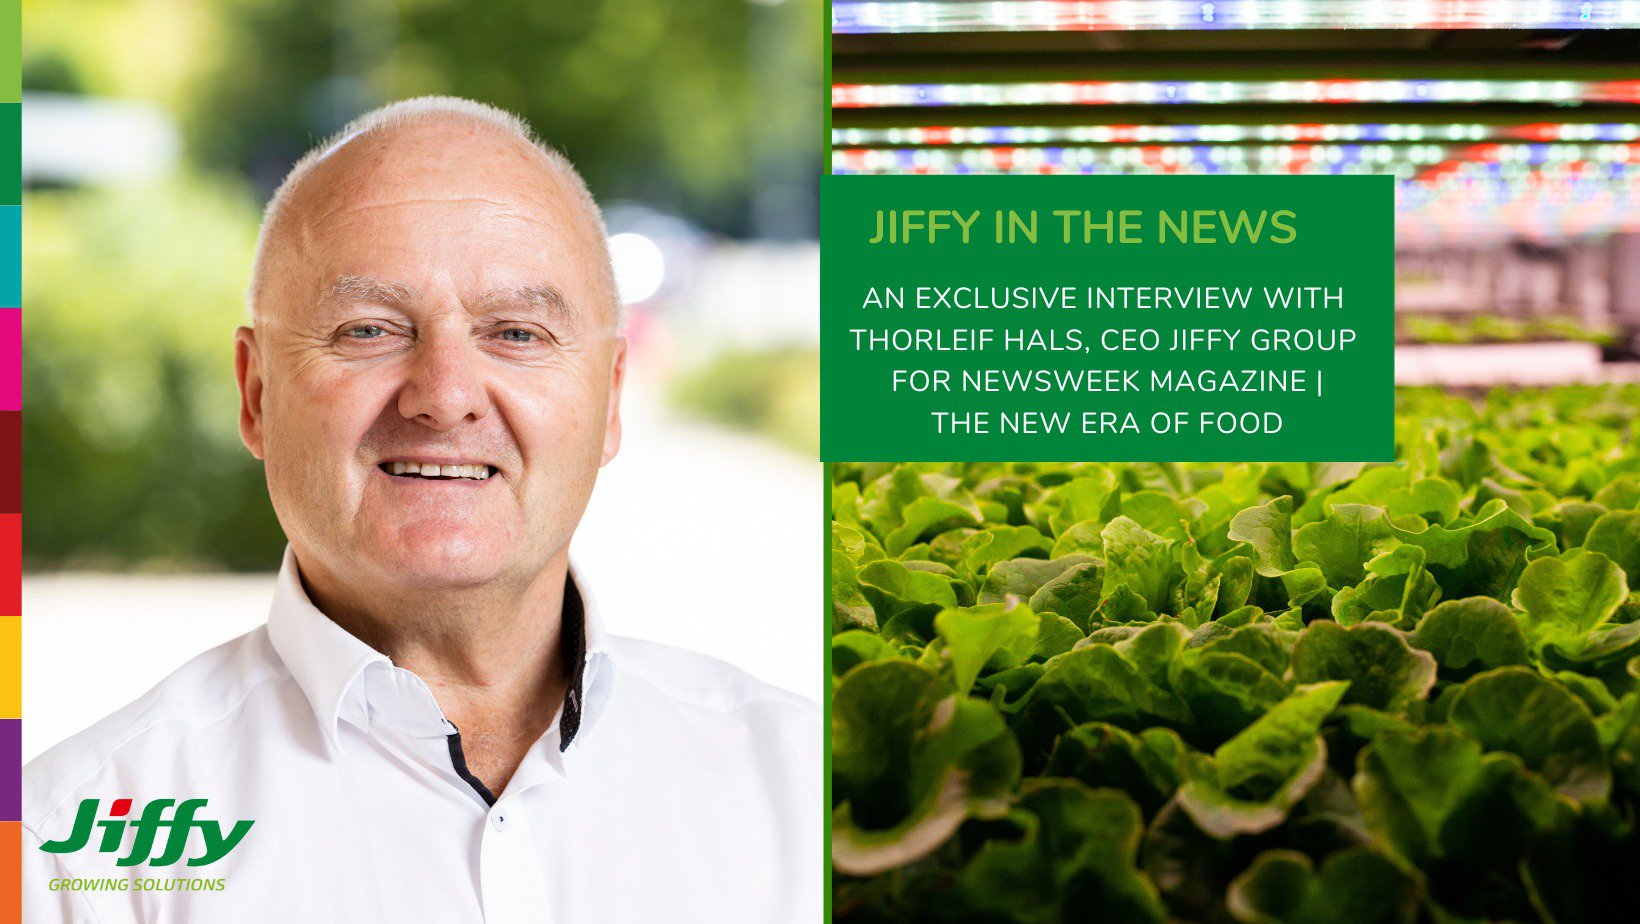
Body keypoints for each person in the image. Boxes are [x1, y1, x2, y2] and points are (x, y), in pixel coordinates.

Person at [21, 97, 820, 923]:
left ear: (611, 399)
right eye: (369, 330)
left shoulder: (805, 789)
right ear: (256, 394)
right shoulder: (68, 860)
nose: (443, 396)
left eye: (515, 333)